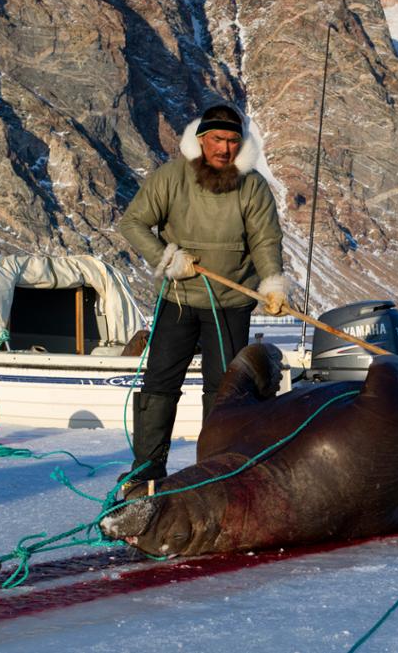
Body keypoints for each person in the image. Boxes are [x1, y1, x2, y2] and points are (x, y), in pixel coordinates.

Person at [117, 103, 289, 484]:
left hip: (230, 304)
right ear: (200, 140)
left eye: (232, 141)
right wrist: (167, 258)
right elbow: (133, 223)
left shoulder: (252, 185)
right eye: (216, 139)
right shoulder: (170, 178)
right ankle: (146, 470)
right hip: (177, 300)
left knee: (223, 390)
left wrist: (272, 282)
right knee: (160, 384)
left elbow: (264, 240)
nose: (224, 149)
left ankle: (215, 471)